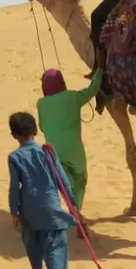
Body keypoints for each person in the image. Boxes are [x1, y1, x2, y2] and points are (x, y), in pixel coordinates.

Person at [8, 111, 76, 269]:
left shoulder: (14, 157)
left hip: (28, 207)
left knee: (32, 242)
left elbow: (14, 187)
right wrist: (72, 203)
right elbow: (62, 180)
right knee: (56, 244)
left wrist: (14, 211)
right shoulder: (48, 151)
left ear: (14, 135)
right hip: (51, 206)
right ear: (36, 130)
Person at [36, 66, 101, 210]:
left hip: (54, 153)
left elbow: (42, 127)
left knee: (66, 185)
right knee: (80, 180)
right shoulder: (73, 97)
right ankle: (77, 210)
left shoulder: (41, 103)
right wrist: (100, 70)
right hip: (75, 152)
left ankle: (74, 212)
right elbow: (93, 88)